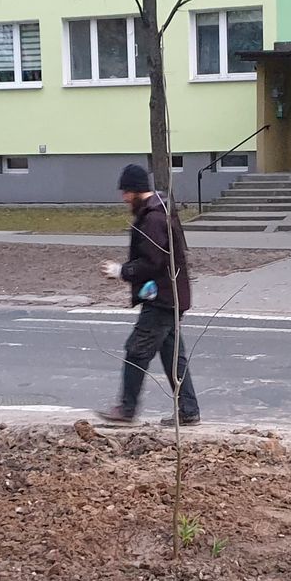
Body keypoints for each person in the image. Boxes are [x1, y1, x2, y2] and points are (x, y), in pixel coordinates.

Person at [97, 162, 199, 427]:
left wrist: (122, 271)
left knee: (136, 351)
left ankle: (126, 410)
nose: (123, 198)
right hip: (171, 295)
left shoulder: (153, 219)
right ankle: (188, 410)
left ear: (136, 190)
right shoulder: (159, 211)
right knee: (172, 355)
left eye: (125, 192)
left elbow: (152, 261)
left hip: (163, 299)